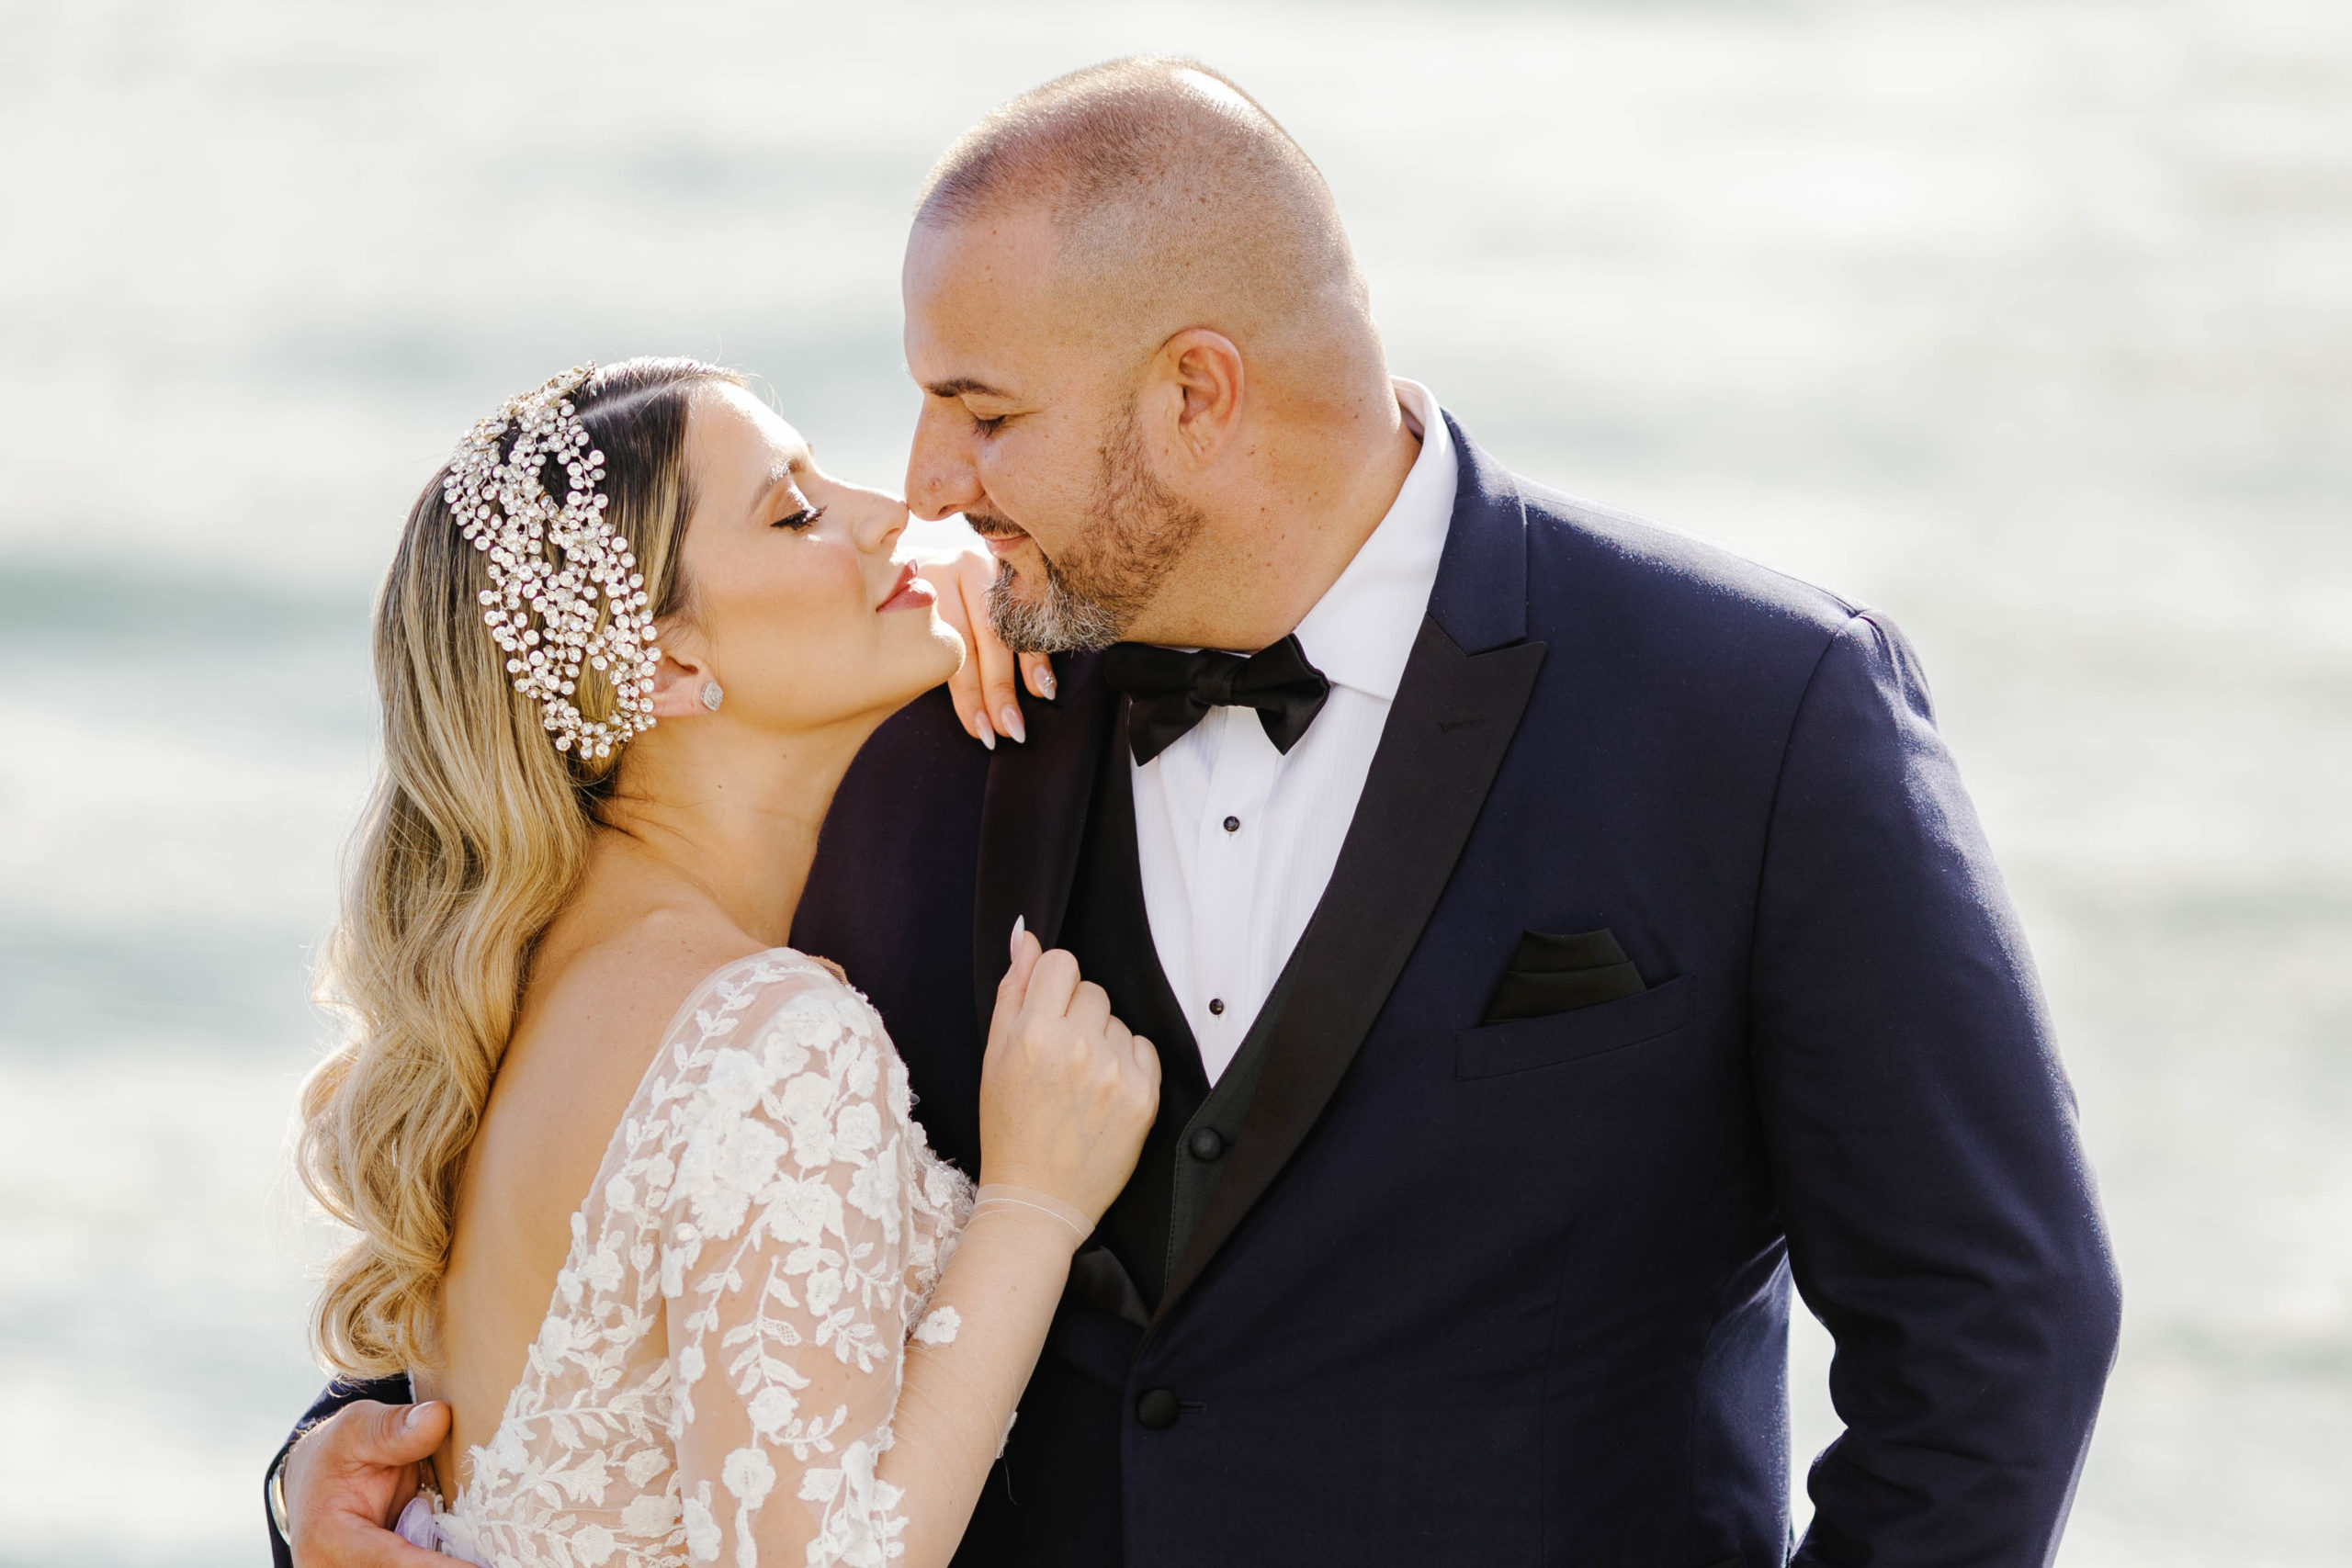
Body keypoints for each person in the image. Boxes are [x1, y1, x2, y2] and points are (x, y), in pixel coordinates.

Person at [278, 59, 2123, 1568]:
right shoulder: (912, 733)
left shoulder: (1753, 714)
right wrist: (346, 1476)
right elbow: (616, 1199)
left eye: (977, 414)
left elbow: (1993, 1334)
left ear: (1195, 396)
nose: (923, 486)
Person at [274, 356, 1159, 1567]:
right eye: (795, 511)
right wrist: (1033, 1205)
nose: (895, 514)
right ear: (667, 665)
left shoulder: (518, 987)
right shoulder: (764, 1035)